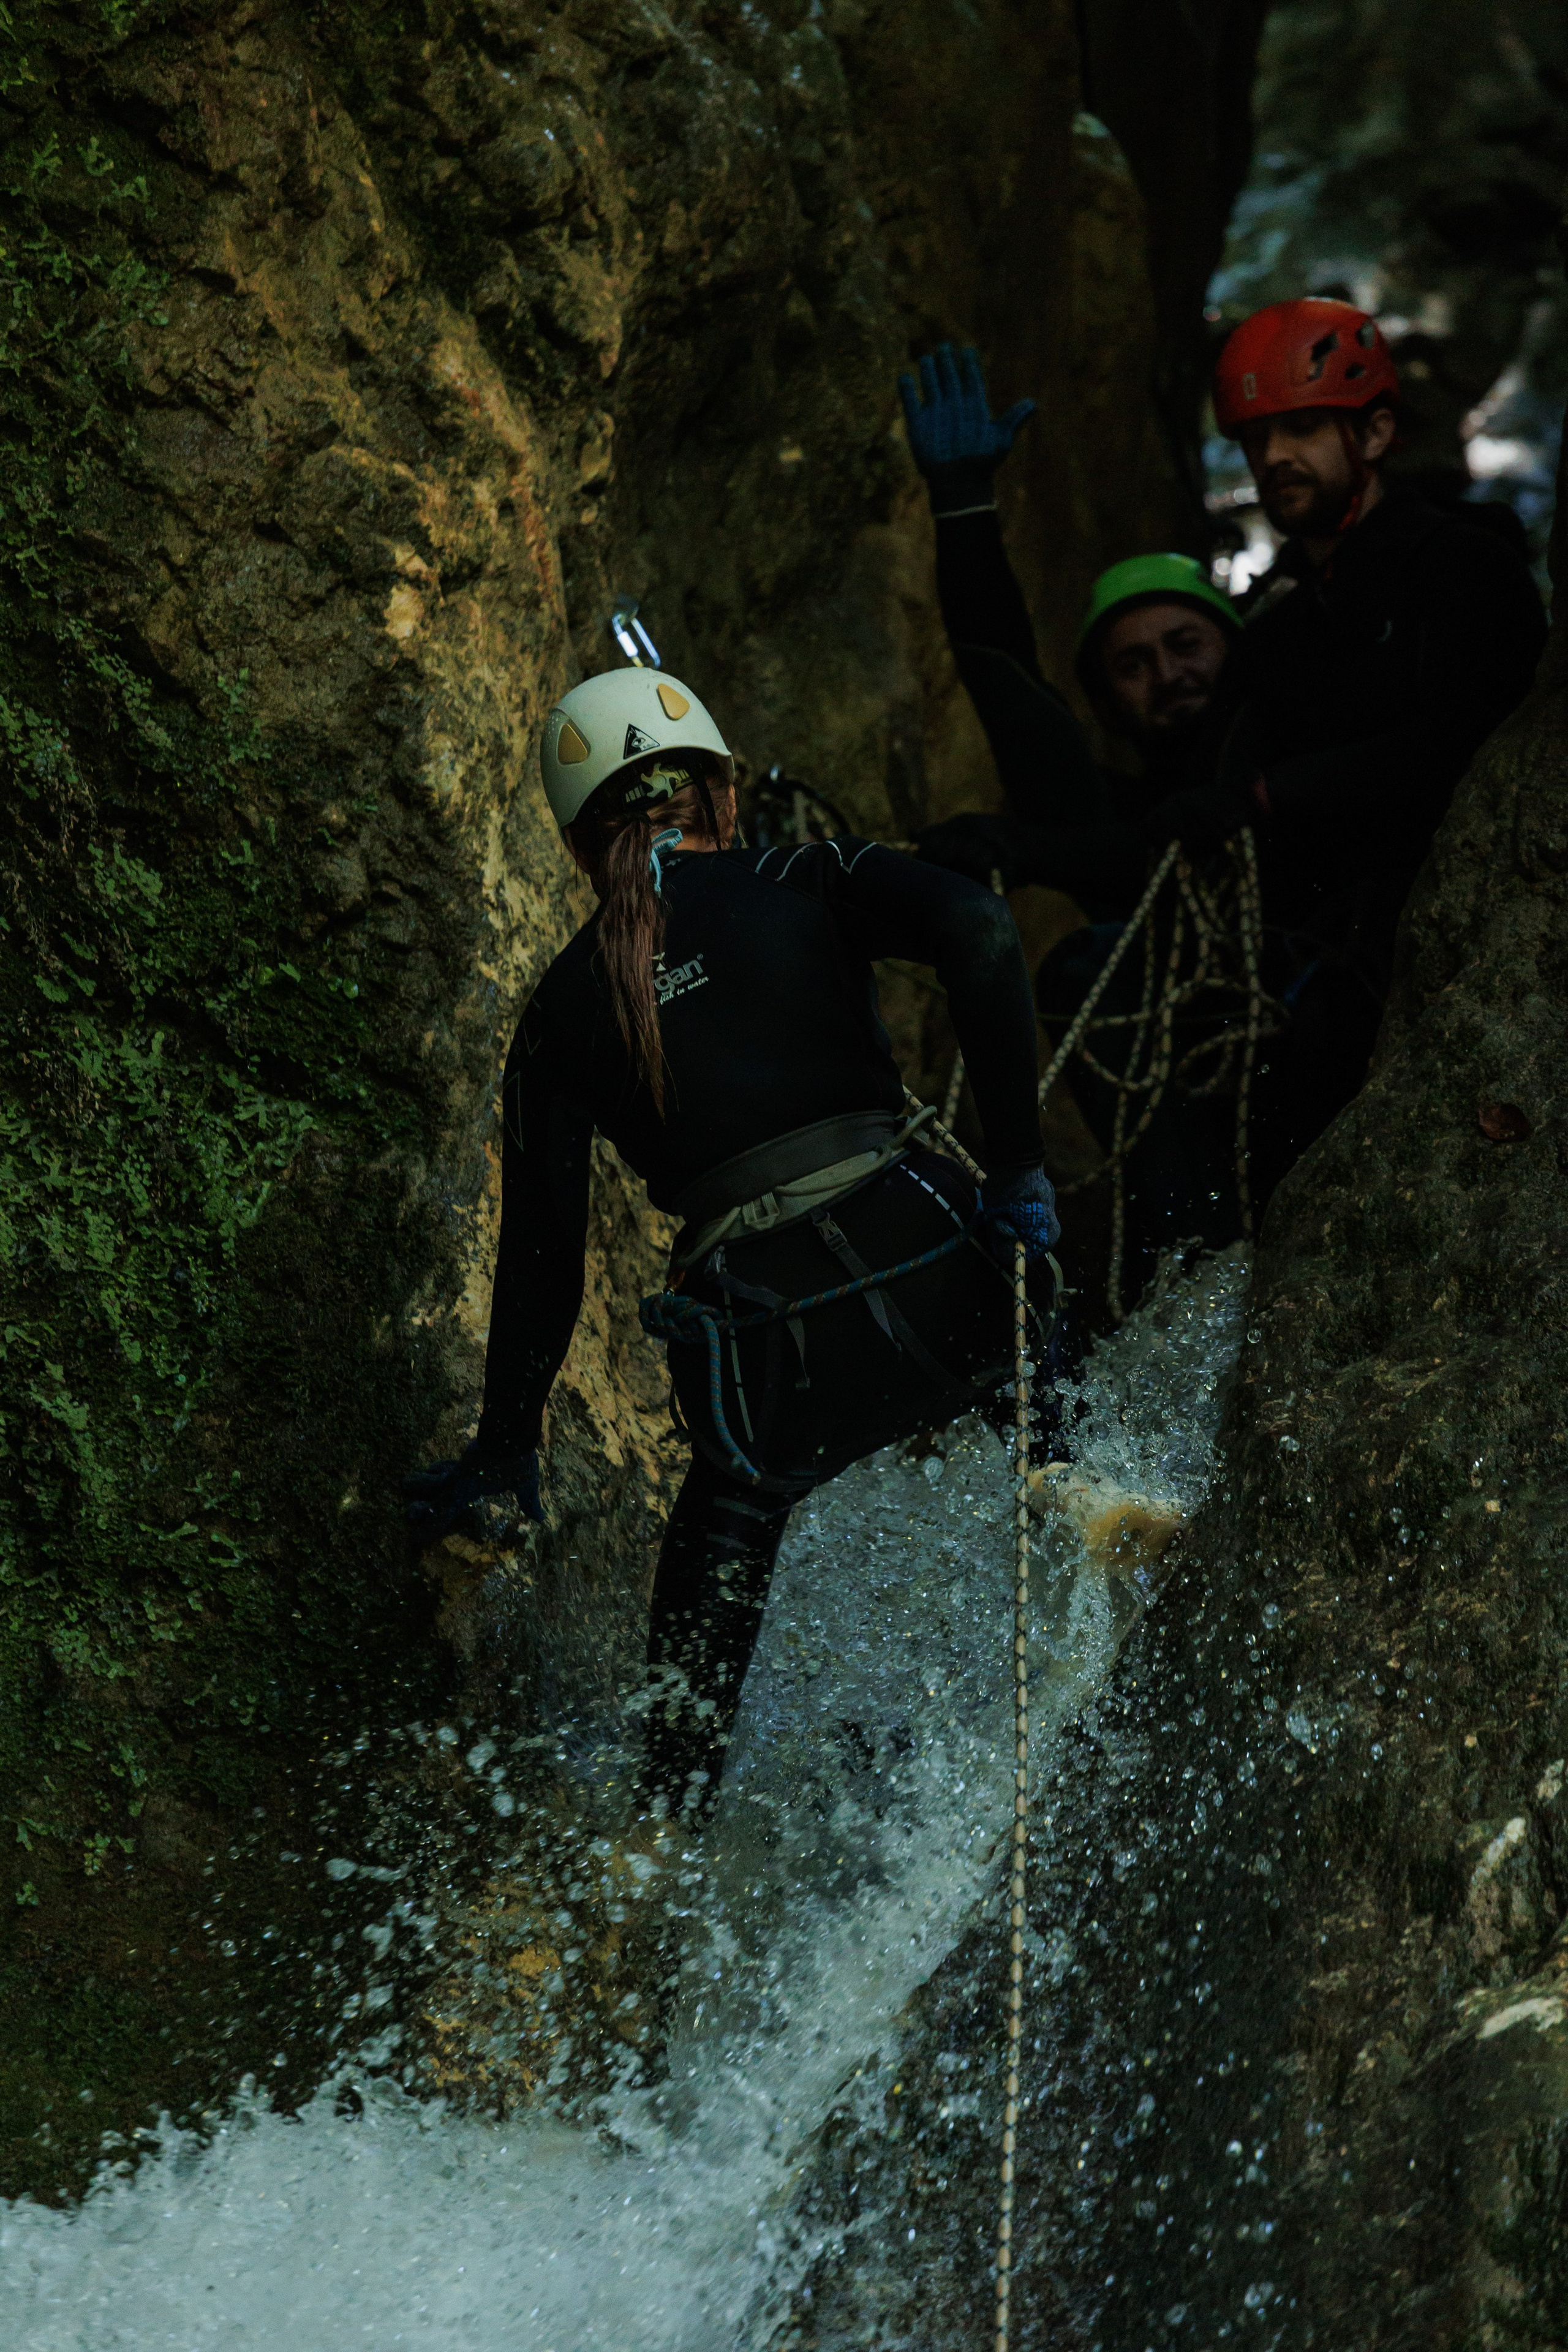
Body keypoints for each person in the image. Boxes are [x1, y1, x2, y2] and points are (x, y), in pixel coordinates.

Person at [404, 665, 1062, 1821]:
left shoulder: (559, 1012)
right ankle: (1089, 1496)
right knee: (1049, 1419)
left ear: (577, 846)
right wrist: (1015, 1164)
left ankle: (668, 1821)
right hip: (926, 1253)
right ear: (723, 793)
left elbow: (544, 1253)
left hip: (764, 1347)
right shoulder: (804, 875)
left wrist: (505, 1448)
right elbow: (981, 927)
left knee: (720, 1552)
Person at [903, 314, 1546, 1229]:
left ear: (1374, 434)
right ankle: (1190, 1258)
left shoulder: (1458, 564)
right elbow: (1130, 815)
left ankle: (1198, 1250)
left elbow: (1476, 735)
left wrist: (1273, 797)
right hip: (1294, 974)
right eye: (1256, 439)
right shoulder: (1278, 643)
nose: (1275, 457)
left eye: (1303, 429)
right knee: (1100, 969)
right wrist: (965, 514)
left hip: (1410, 957)